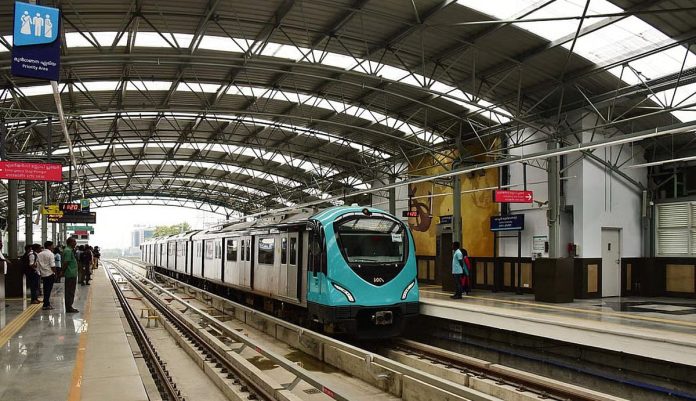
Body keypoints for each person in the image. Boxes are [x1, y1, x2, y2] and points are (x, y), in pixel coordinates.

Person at [37, 241, 57, 310]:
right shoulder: (50, 254)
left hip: (43, 274)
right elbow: (52, 265)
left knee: (45, 289)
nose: (53, 247)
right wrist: (55, 273)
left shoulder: (39, 254)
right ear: (49, 246)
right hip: (50, 274)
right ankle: (46, 304)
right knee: (48, 290)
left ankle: (46, 303)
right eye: (52, 245)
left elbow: (38, 264)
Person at [62, 238, 79, 313]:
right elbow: (66, 262)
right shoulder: (68, 251)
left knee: (70, 291)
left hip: (71, 273)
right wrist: (62, 272)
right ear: (70, 242)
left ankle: (69, 306)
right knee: (70, 291)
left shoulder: (69, 250)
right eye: (74, 241)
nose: (75, 243)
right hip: (70, 273)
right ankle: (69, 307)